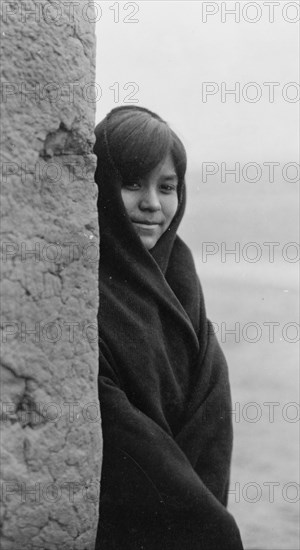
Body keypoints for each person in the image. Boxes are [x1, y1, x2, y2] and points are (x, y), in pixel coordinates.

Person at [93, 105, 244, 550]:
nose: (152, 204)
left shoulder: (179, 274)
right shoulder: (83, 289)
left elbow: (211, 407)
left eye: (167, 187)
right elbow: (120, 432)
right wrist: (211, 528)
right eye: (132, 182)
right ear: (100, 186)